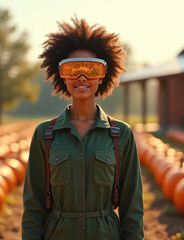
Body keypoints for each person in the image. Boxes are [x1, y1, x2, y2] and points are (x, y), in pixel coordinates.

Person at [22, 16, 144, 240]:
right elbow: (33, 207)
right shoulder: (44, 135)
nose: (82, 76)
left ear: (102, 76)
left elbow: (132, 207)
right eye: (73, 69)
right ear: (62, 76)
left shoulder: (121, 134)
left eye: (91, 69)